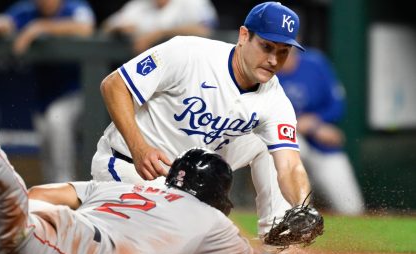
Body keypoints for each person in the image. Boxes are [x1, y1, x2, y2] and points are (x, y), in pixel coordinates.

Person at [0, 97, 297, 254]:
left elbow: (42, 193)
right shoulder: (213, 222)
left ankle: (10, 217)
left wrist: (24, 222)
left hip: (45, 223)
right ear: (216, 197)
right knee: (17, 240)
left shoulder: (124, 190)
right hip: (69, 252)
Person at [32, 1, 314, 241]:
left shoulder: (275, 99)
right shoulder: (189, 53)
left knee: (269, 143)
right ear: (243, 35)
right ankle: (62, 227)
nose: (274, 59)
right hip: (130, 167)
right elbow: (114, 84)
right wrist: (139, 146)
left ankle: (277, 240)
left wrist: (303, 207)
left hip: (189, 182)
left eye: (283, 51)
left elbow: (289, 165)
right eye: (266, 47)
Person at [0, 0, 95, 183]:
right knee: (46, 138)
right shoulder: (26, 11)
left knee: (56, 120)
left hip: (76, 92)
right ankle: (54, 187)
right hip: (44, 95)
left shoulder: (75, 7)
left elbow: (86, 28)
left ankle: (65, 183)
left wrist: (39, 28)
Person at [276, 46, 365, 215]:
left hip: (322, 144)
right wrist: (299, 124)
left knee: (352, 208)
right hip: (290, 140)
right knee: (288, 144)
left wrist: (315, 123)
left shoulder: (315, 63)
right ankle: (297, 213)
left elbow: (337, 105)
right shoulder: (266, 69)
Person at [102, 0, 218, 54]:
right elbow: (106, 27)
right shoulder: (138, 5)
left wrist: (160, 33)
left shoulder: (191, 2)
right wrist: (119, 29)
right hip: (148, 70)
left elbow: (204, 29)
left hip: (188, 66)